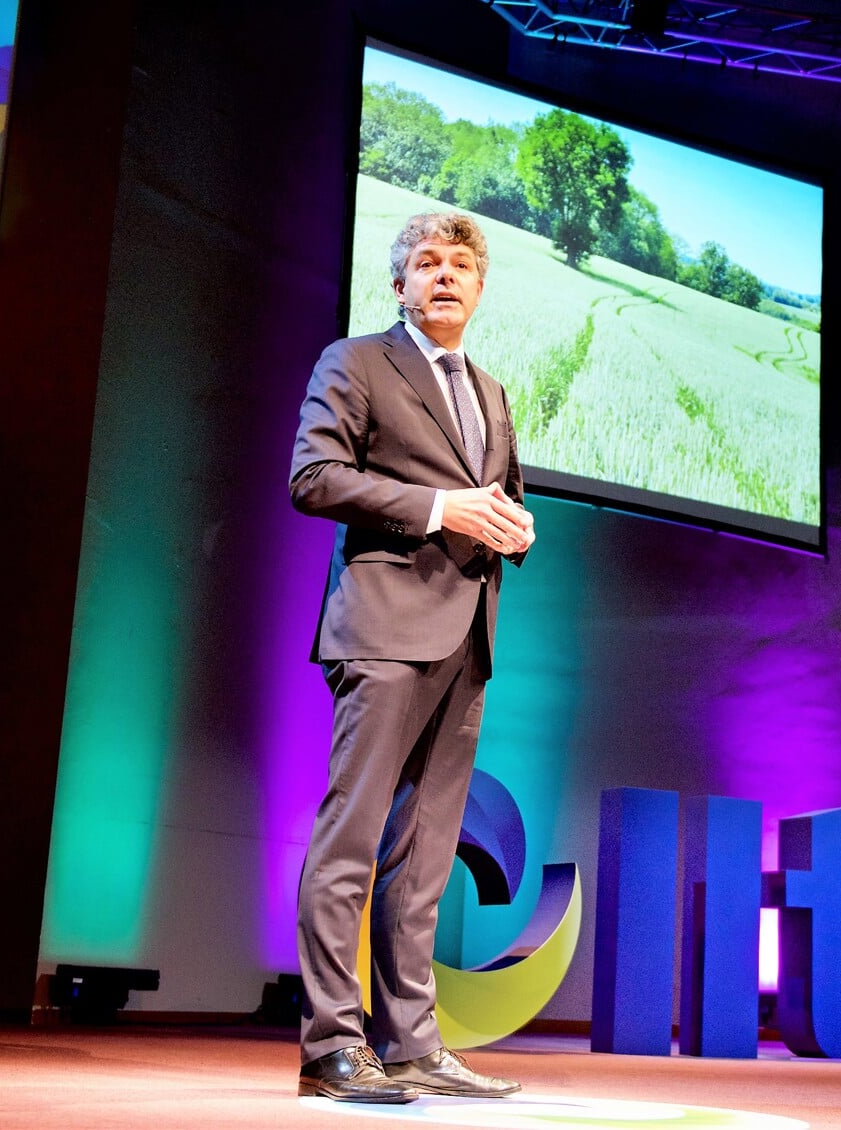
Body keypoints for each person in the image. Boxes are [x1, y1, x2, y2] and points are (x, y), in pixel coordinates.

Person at [289, 213, 536, 1103]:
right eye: (425, 264)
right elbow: (312, 476)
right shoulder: (355, 363)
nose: (444, 277)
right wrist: (442, 509)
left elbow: (502, 497)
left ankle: (412, 1045)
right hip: (385, 629)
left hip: (467, 637)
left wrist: (516, 527)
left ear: (479, 289)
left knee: (425, 856)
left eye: (460, 266)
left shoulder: (494, 390)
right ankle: (331, 1047)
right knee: (351, 840)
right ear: (398, 286)